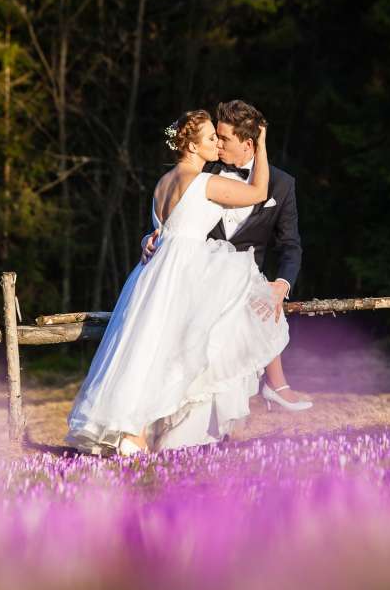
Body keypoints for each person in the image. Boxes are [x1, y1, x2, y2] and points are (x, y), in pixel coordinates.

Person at [66, 110, 289, 456]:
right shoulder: (204, 183)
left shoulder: (162, 183)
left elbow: (164, 230)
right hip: (184, 271)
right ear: (193, 145)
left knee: (144, 350)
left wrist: (146, 240)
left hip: (152, 274)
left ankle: (133, 430)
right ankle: (142, 433)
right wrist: (260, 143)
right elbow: (259, 191)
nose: (217, 141)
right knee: (172, 350)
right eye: (210, 137)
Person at [142, 100, 311, 410]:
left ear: (248, 144)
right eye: (214, 136)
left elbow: (290, 245)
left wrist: (282, 284)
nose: (216, 143)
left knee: (257, 296)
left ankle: (273, 386)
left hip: (246, 277)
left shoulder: (283, 184)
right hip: (201, 280)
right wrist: (150, 237)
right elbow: (175, 220)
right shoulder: (202, 171)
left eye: (224, 138)